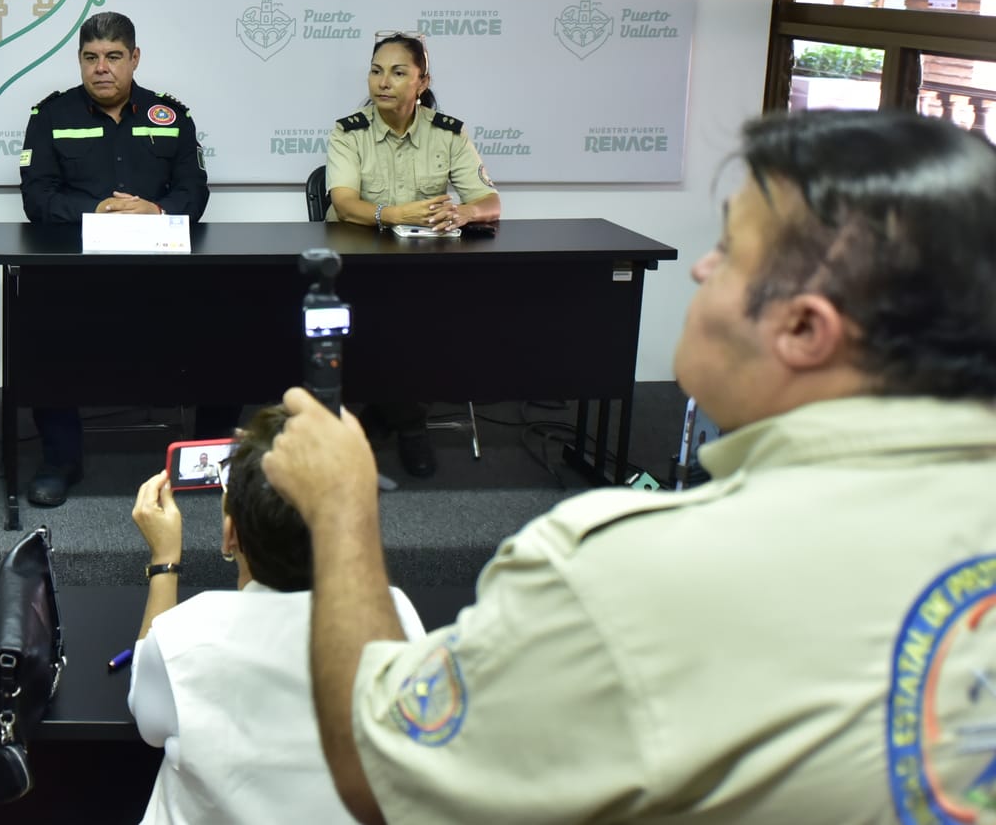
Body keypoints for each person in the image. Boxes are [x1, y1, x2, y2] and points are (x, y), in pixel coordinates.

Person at [264, 108, 996, 825]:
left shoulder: (612, 576)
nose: (701, 267)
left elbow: (378, 767)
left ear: (805, 328)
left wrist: (340, 506)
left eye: (728, 252)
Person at [126, 406, 424, 825]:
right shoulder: (393, 612)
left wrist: (164, 561)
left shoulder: (184, 634)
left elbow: (149, 722)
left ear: (230, 536)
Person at [19, 11, 213, 507]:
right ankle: (61, 459)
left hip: (159, 268)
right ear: (79, 60)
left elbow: (194, 189)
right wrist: (97, 211)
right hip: (78, 270)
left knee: (224, 319)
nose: (101, 68)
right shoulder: (50, 116)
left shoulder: (171, 116)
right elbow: (37, 198)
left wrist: (157, 210)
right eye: (90, 58)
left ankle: (204, 457)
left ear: (134, 58)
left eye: (113, 56)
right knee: (39, 323)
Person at [323, 32, 499, 478]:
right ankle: (410, 426)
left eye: (398, 72)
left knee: (439, 324)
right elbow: (344, 204)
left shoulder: (448, 132)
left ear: (422, 82)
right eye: (376, 71)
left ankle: (383, 416)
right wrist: (394, 213)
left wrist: (463, 212)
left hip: (423, 267)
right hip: (355, 266)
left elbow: (490, 202)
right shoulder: (349, 132)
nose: (383, 82)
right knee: (385, 323)